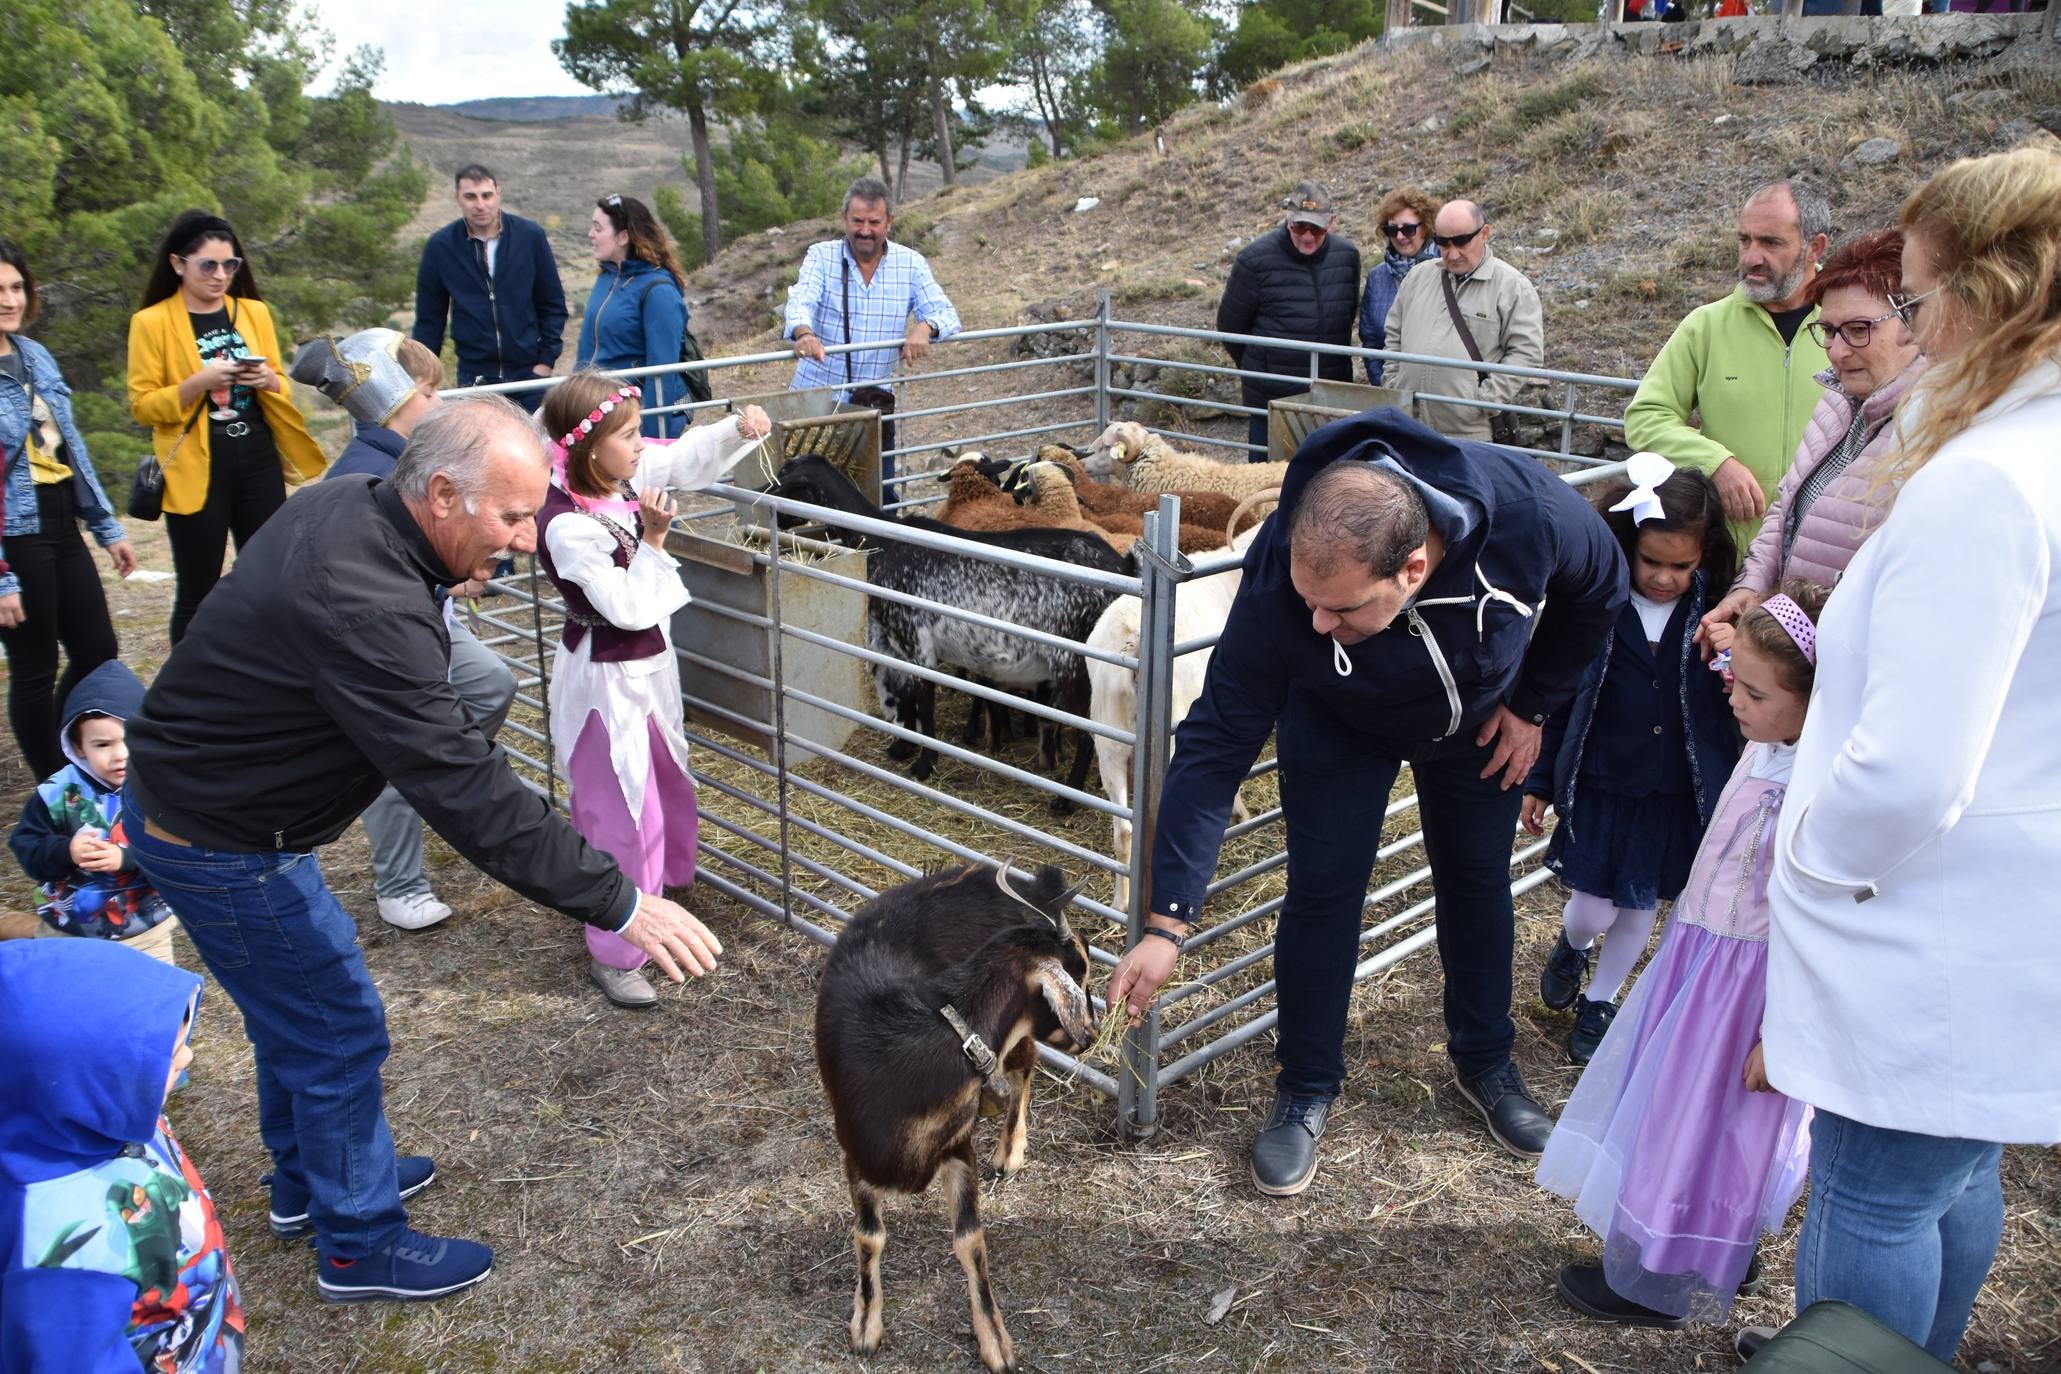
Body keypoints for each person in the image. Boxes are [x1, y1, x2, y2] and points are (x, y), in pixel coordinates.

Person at [120, 393, 727, 1304]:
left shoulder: (355, 502)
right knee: (335, 1027)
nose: (527, 539)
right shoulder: (364, 604)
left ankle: (306, 1184)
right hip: (222, 840)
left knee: (298, 1009)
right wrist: (622, 902)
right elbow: (466, 791)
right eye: (514, 516)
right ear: (440, 494)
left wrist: (447, 576)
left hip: (222, 816)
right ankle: (359, 1243)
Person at [1106, 407, 1627, 1194]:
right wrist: (1167, 920)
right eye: (1309, 603)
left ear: (1412, 568)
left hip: (1477, 718)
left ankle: (1485, 1062)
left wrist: (1534, 705)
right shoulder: (1287, 566)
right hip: (1337, 719)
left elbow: (1601, 589)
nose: (1317, 621)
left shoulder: (1529, 515)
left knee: (1476, 880)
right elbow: (1215, 739)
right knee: (1321, 891)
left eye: (1341, 609)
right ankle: (1305, 1084)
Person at [1765, 139, 2061, 1364]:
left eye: (1918, 302)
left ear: (1988, 297)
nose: (1910, 329)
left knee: (1874, 1189)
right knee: (1951, 1169)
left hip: (1918, 919)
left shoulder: (1982, 482)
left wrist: (1811, 866)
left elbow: (1910, 769)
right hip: (1998, 909)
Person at [1538, 585, 1827, 1329]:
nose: (1731, 692)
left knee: (1712, 1121)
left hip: (1751, 985)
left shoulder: (1818, 785)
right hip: (1704, 959)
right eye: (1733, 671)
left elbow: (1812, 916)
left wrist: (1784, 1025)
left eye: (1753, 689)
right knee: (1676, 1108)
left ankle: (1664, 1275)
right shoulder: (1770, 743)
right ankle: (1701, 1242)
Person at [535, 371, 770, 1008]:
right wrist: (657, 541)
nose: (643, 446)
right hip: (607, 680)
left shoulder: (619, 477)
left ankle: (660, 898)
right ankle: (617, 949)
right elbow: (626, 607)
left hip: (648, 670)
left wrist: (734, 429)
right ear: (588, 447)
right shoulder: (566, 524)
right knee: (619, 804)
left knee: (663, 780)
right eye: (629, 434)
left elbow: (679, 458)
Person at [292, 328, 519, 931]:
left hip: (431, 615)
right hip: (390, 636)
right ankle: (401, 880)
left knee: (491, 684)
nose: (439, 407)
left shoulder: (411, 458)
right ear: (396, 398)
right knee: (402, 741)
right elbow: (371, 575)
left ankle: (441, 787)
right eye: (428, 395)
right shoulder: (363, 472)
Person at [1523, 458, 1738, 1065]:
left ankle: (1600, 999)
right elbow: (1561, 693)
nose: (1665, 578)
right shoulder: (1599, 605)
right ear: (1627, 543)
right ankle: (1573, 942)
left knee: (1640, 905)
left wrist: (1734, 663)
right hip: (1601, 781)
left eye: (1682, 565)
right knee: (1594, 904)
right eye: (1653, 562)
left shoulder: (1717, 615)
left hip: (1670, 789)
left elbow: (1736, 702)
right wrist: (1541, 776)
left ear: (1703, 557)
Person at [0, 939, 244, 1371]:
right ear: (76, 1086)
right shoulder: (64, 1259)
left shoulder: (69, 1119)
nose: (187, 1056)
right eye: (168, 1056)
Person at [1696, 229, 1925, 658]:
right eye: (1829, 331)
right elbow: (1787, 505)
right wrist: (1752, 586)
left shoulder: (1931, 432)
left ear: (1915, 321)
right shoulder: (1838, 399)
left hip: (1851, 667)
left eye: (1859, 329)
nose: (1837, 352)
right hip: (1795, 657)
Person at [127, 211, 326, 645]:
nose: (221, 276)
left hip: (256, 456)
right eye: (209, 266)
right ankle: (186, 695)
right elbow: (143, 406)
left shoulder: (252, 312)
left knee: (270, 576)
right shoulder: (152, 322)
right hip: (196, 466)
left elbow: (280, 384)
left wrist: (268, 381)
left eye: (230, 265)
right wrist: (197, 384)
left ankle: (263, 672)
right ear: (178, 264)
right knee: (198, 589)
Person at [1624, 180, 1833, 557]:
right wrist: (1715, 463)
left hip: (1821, 563)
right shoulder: (1705, 326)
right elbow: (1646, 418)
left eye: (1770, 242)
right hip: (1728, 561)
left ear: (1815, 247)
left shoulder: (1855, 329)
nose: (1751, 257)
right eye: (1744, 240)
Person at [0, 239, 136, 779]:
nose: (9, 299)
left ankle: (73, 759)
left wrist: (104, 524)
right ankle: (55, 788)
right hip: (14, 532)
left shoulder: (34, 356)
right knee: (34, 667)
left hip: (59, 517)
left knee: (97, 648)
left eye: (16, 287)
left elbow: (68, 446)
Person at [785, 177, 962, 486]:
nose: (865, 230)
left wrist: (926, 326)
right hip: (815, 407)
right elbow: (801, 299)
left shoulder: (911, 264)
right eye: (857, 221)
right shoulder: (821, 256)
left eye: (874, 222)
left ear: (889, 222)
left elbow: (946, 313)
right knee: (804, 499)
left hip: (873, 410)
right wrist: (804, 334)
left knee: (879, 500)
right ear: (844, 219)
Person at [7, 661, 177, 964]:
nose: (119, 754)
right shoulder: (56, 794)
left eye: (130, 739)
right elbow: (26, 848)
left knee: (154, 1002)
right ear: (78, 746)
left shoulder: (160, 789)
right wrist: (65, 851)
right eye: (102, 744)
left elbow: (179, 850)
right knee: (72, 1002)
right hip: (69, 929)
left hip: (145, 929)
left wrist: (126, 858)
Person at [1216, 180, 1364, 457]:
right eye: (1300, 226)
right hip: (1272, 404)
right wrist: (1262, 370)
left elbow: (1347, 316)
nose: (1308, 236)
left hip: (1328, 400)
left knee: (1325, 486)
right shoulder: (1254, 261)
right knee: (1269, 488)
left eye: (1316, 228)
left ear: (1331, 222)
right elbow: (1231, 329)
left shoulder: (1347, 257)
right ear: (1288, 220)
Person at [1384, 199, 1545, 443]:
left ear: (1485, 234)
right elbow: (1394, 334)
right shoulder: (1418, 277)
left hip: (1471, 434)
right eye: (1443, 243)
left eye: (1461, 242)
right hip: (1410, 426)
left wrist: (1483, 401)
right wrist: (1394, 383)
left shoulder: (1512, 286)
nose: (1452, 253)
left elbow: (1526, 353)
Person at [411, 163, 568, 409]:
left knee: (534, 446)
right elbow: (430, 321)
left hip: (529, 377)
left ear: (498, 193)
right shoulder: (440, 247)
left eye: (487, 195)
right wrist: (424, 379)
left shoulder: (530, 236)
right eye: (470, 197)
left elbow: (552, 303)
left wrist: (545, 362)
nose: (480, 205)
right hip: (474, 379)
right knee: (481, 447)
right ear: (458, 199)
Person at [576, 195, 692, 440]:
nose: (590, 234)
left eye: (598, 228)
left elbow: (662, 372)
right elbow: (587, 351)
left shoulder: (658, 291)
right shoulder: (606, 278)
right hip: (603, 413)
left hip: (638, 420)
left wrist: (652, 439)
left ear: (623, 236)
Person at [1358, 186, 1441, 387]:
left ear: (1427, 226)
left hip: (1442, 393)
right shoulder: (1378, 277)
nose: (1400, 236)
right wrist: (1385, 387)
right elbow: (1371, 343)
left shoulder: (1449, 269)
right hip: (1393, 391)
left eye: (1408, 229)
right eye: (1392, 230)